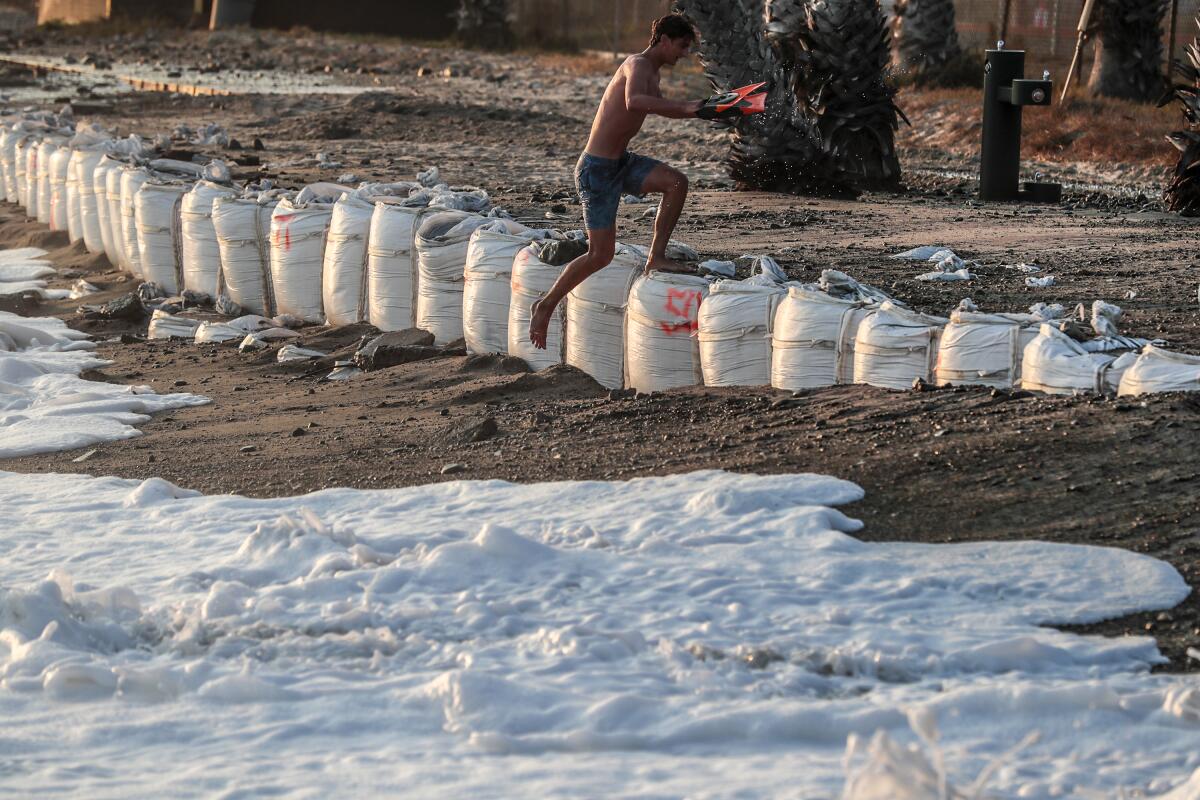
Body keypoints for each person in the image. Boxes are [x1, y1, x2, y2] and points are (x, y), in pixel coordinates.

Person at [528, 13, 706, 350]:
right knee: (600, 255)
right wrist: (687, 107)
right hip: (596, 170)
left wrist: (702, 110)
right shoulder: (637, 65)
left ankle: (657, 256)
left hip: (621, 162)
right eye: (682, 46)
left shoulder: (653, 71)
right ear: (664, 39)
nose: (684, 54)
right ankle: (546, 304)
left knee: (677, 183)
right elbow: (634, 101)